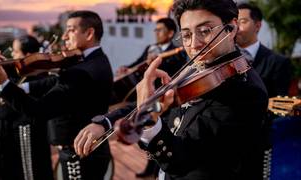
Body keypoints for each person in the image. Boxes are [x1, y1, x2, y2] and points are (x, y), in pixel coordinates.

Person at [74, 0, 269, 179]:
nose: (193, 45)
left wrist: (148, 119)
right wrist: (105, 122)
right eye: (186, 34)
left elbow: (183, 161)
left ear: (232, 28)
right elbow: (156, 99)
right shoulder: (197, 67)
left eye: (205, 30)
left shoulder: (246, 91)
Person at [0, 10, 113, 180]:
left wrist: (3, 83)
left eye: (71, 30)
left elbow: (37, 111)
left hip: (78, 154)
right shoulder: (97, 60)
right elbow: (53, 82)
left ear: (89, 33)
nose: (64, 36)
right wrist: (18, 81)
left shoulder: (79, 73)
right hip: (92, 150)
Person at [0, 35, 54, 180]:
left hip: (26, 136)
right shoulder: (11, 72)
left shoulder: (40, 77)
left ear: (27, 56)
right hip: (7, 134)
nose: (12, 56)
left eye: (15, 52)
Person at [113, 17, 187, 103]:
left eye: (160, 30)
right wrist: (127, 68)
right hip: (136, 86)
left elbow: (173, 74)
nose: (156, 33)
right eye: (156, 30)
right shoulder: (150, 48)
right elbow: (138, 62)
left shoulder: (177, 53)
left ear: (170, 33)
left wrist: (156, 64)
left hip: (155, 93)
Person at [236, 3, 292, 98]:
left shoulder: (278, 62)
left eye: (242, 21)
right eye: (234, 22)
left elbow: (279, 104)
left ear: (257, 26)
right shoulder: (222, 58)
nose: (236, 28)